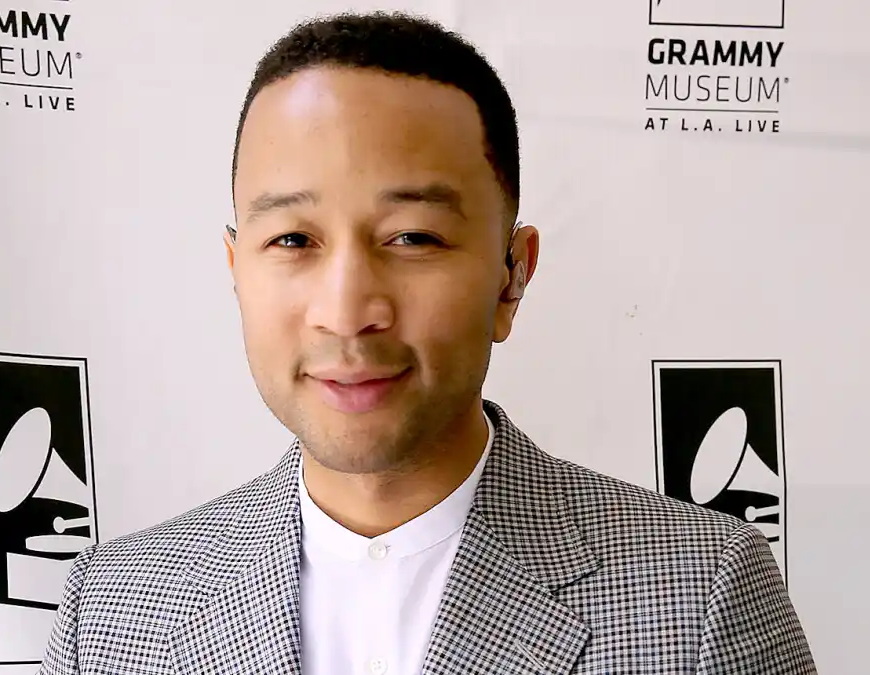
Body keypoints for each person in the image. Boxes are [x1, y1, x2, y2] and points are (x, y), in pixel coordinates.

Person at [39, 11, 815, 674]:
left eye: (412, 236)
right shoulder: (110, 612)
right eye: (294, 239)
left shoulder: (699, 595)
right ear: (236, 269)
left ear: (512, 275)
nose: (347, 312)